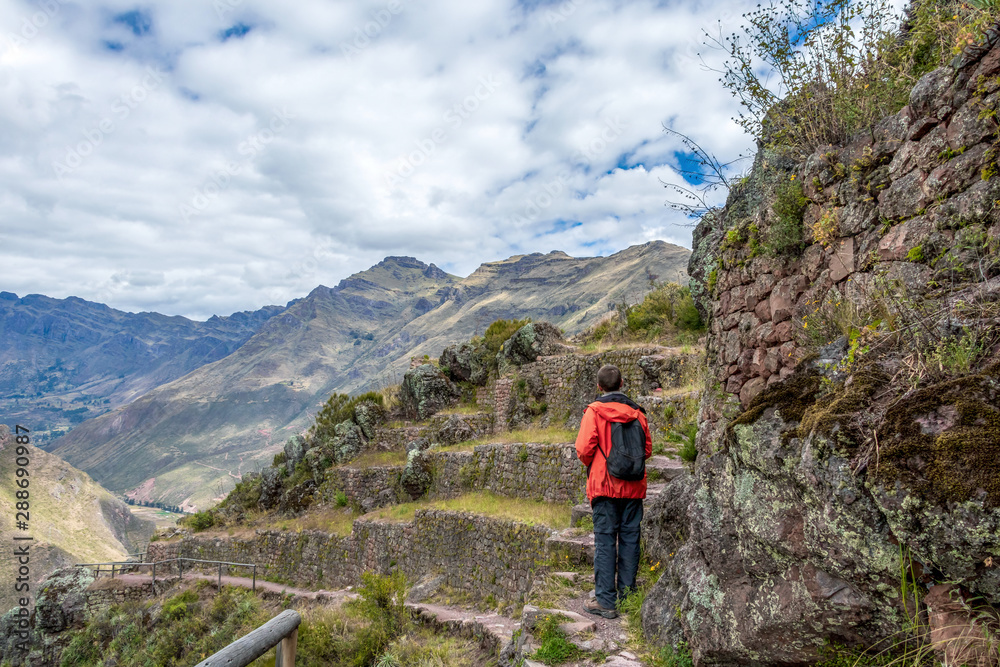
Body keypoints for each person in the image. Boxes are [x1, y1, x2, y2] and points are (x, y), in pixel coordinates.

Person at [574, 364, 652, 619]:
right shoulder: (638, 414)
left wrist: (599, 465)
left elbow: (584, 450)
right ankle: (628, 598)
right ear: (621, 384)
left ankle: (605, 601)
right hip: (633, 487)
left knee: (606, 541)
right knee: (630, 540)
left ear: (599, 387)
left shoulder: (594, 412)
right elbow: (647, 450)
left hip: (605, 487)